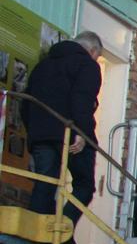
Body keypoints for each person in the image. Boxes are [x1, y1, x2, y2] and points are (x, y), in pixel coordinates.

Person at [23, 31, 103, 224]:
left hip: (41, 135)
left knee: (46, 182)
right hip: (70, 135)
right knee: (84, 186)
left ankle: (36, 234)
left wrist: (33, 132)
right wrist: (82, 133)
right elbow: (81, 101)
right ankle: (61, 232)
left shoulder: (42, 66)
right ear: (93, 51)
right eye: (97, 57)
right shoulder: (87, 66)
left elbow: (26, 103)